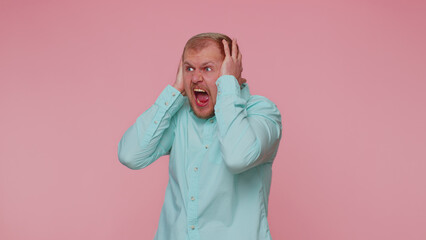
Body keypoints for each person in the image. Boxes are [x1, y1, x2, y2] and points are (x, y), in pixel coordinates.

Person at [118, 32, 282, 240]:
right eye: (189, 69)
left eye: (207, 68)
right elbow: (130, 155)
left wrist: (229, 87)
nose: (195, 78)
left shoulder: (263, 113)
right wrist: (175, 91)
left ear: (230, 72)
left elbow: (238, 157)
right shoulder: (179, 115)